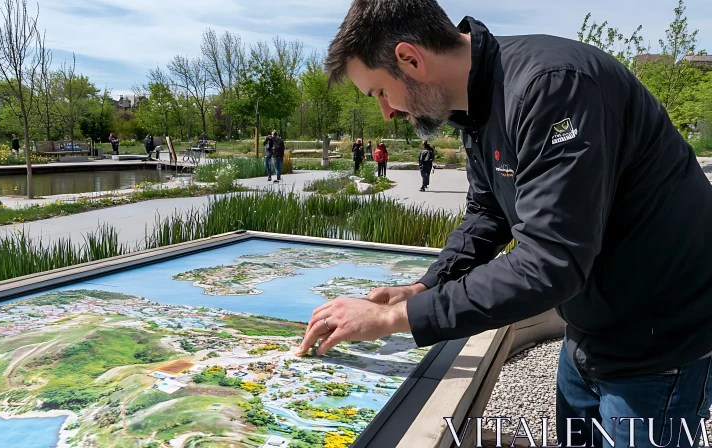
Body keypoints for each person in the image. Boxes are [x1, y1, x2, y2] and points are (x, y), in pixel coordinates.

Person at [298, 1, 712, 447]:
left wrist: (395, 317)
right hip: (589, 332)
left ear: (410, 59)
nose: (386, 112)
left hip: (659, 344)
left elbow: (550, 262)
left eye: (379, 92)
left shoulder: (552, 88)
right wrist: (424, 288)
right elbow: (488, 211)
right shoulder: (474, 107)